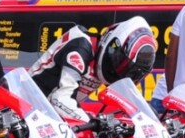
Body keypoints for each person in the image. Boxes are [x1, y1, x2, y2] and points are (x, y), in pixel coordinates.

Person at [28, 17, 158, 122]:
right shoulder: (81, 47)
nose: (119, 73)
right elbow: (60, 99)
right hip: (29, 106)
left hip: (49, 115)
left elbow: (130, 97)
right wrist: (91, 123)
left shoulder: (107, 65)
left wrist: (149, 118)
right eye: (122, 65)